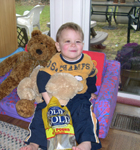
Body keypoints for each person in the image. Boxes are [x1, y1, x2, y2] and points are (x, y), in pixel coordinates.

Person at [20, 22, 102, 150]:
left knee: (84, 113)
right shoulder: (56, 60)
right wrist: (47, 100)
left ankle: (86, 142)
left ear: (83, 45)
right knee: (41, 112)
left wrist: (90, 91)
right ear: (58, 46)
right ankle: (34, 143)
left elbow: (92, 76)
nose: (73, 45)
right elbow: (42, 76)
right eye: (68, 41)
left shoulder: (87, 60)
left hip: (78, 97)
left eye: (78, 41)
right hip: (56, 97)